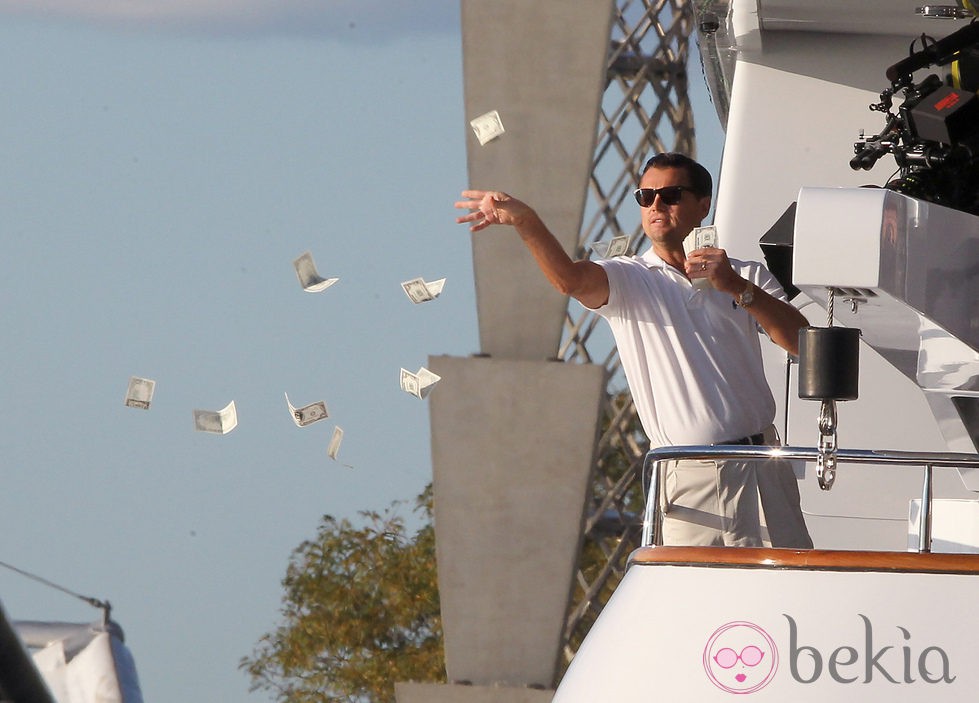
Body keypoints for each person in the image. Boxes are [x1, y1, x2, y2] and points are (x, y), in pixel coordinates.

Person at [455, 152, 813, 549]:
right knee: (694, 604)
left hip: (762, 464)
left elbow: (802, 341)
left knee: (785, 589)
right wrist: (526, 221)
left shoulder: (745, 274)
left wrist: (735, 287)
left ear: (703, 205)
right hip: (687, 475)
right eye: (645, 197)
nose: (656, 205)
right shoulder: (628, 277)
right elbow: (569, 280)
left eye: (670, 195)